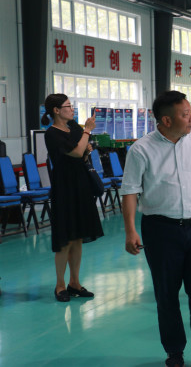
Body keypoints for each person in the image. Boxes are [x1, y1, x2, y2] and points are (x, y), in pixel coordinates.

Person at [121, 91, 191, 367]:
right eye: (185, 114)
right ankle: (174, 352)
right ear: (167, 120)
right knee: (167, 294)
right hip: (161, 231)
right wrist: (130, 230)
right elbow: (130, 192)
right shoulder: (141, 149)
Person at [43, 94, 104, 303]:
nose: (72, 109)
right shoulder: (52, 134)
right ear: (56, 110)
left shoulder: (74, 128)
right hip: (65, 188)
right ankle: (60, 285)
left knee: (78, 237)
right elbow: (76, 152)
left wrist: (87, 147)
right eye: (68, 106)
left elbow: (83, 153)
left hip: (81, 185)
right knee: (65, 239)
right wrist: (87, 132)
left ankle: (75, 283)